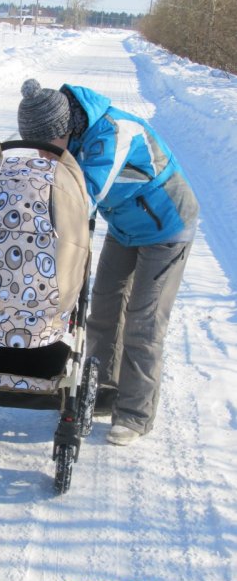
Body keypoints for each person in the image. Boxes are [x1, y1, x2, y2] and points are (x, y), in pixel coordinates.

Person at [17, 78, 199, 446]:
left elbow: (81, 199)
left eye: (45, 147)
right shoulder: (65, 134)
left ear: (64, 129)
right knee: (102, 308)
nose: (43, 156)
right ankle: (102, 393)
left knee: (144, 321)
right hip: (126, 227)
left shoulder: (113, 134)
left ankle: (134, 414)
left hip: (167, 228)